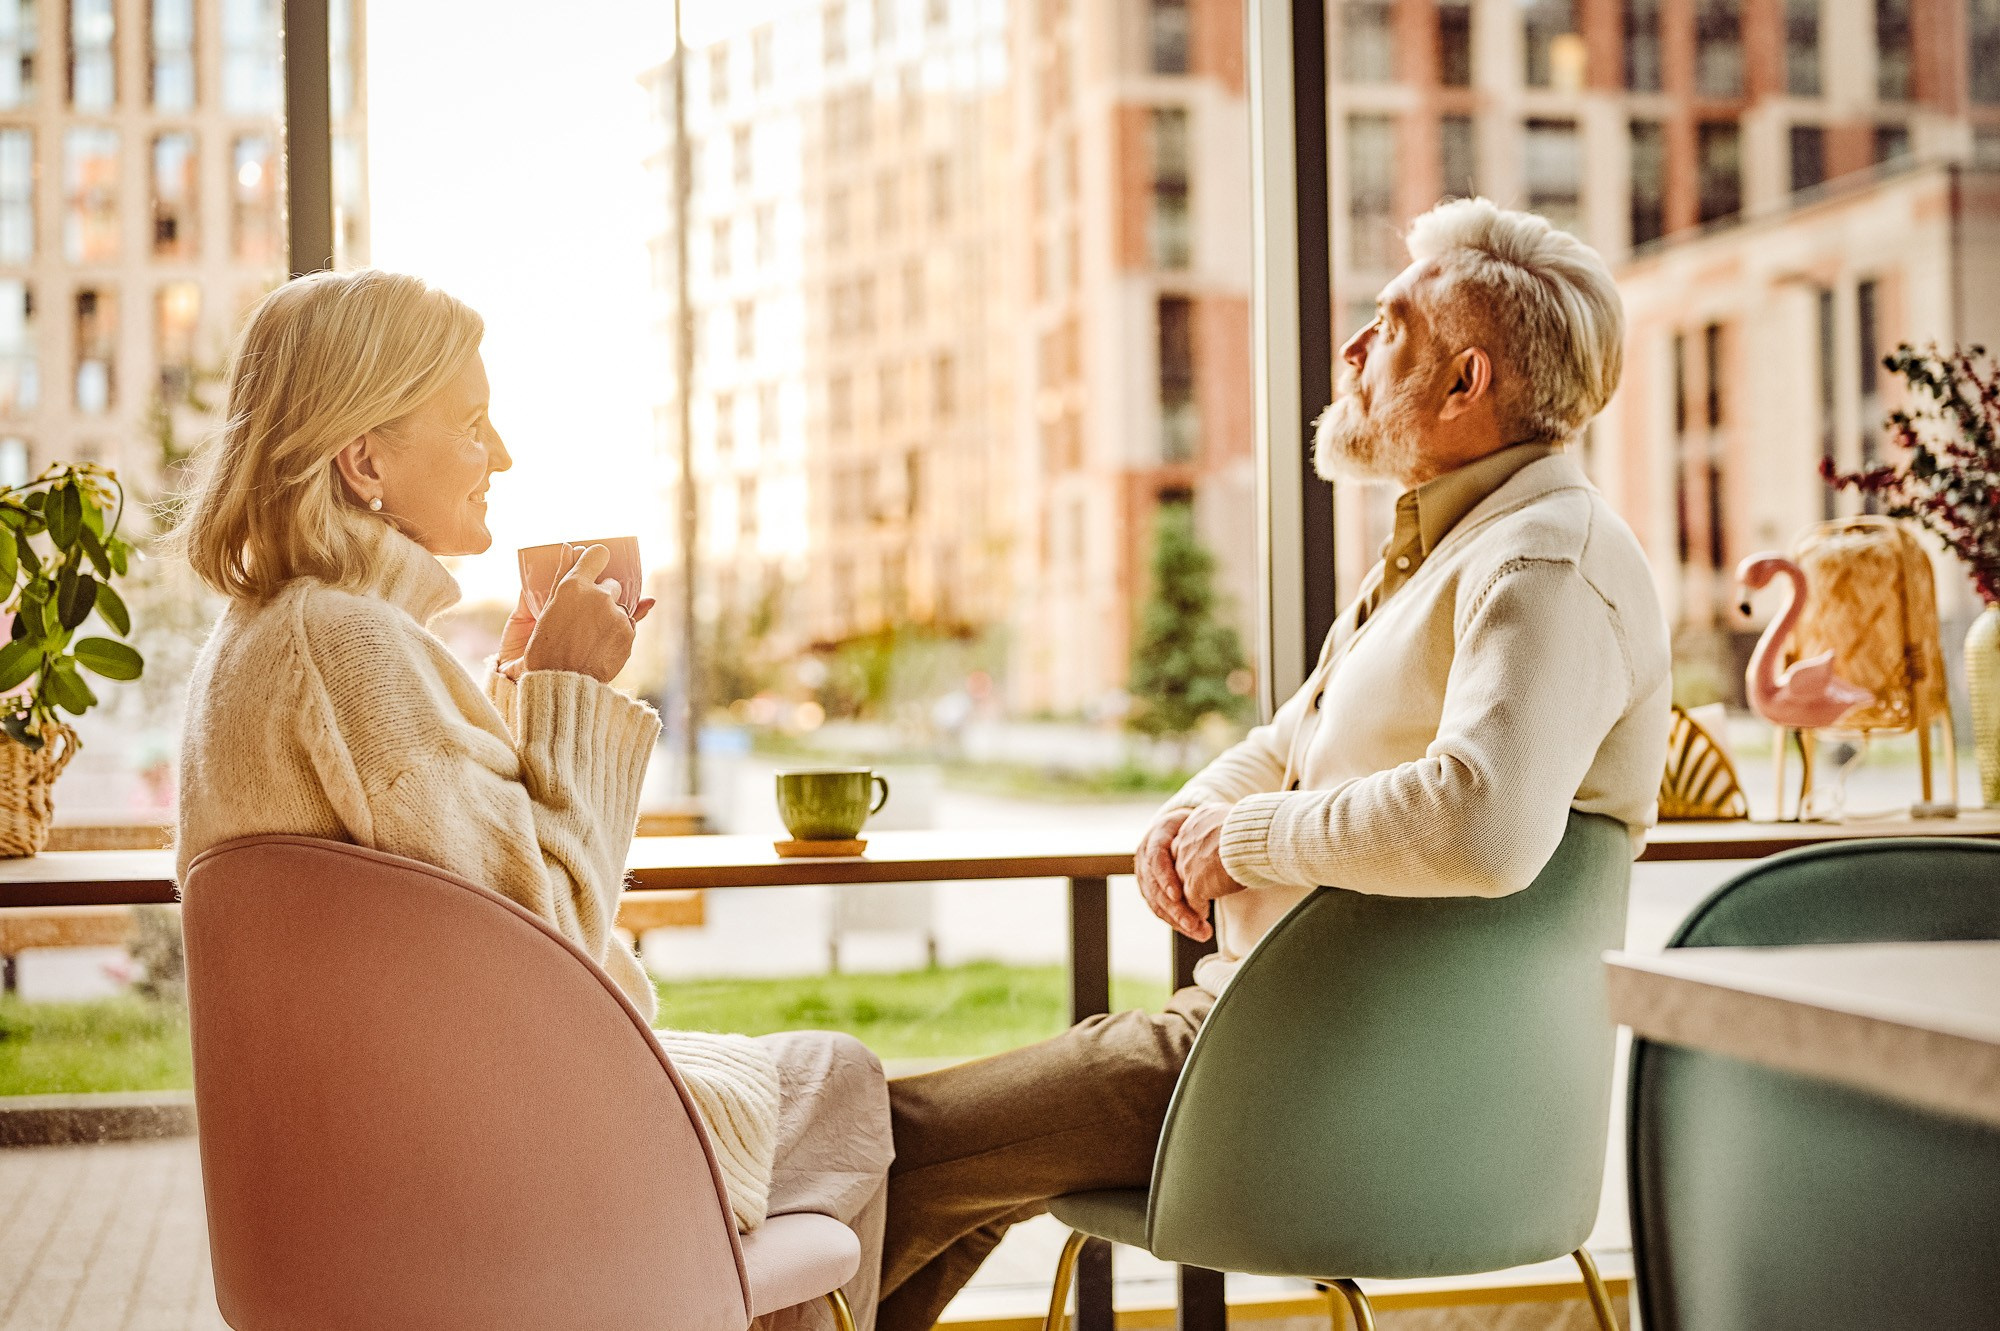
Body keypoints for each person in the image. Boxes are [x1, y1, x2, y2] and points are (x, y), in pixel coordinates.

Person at [876, 198, 1672, 1331]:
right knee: (937, 1161)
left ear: (1464, 383)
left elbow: (1482, 823)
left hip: (1325, 1079)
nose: (1352, 348)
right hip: (1289, 1048)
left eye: (1390, 326)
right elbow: (1288, 738)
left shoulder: (1544, 563)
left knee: (886, 1143)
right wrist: (1189, 813)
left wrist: (1238, 839)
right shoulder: (1450, 548)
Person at [172, 269, 890, 1331]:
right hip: (476, 1170)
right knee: (839, 1074)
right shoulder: (348, 645)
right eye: (470, 425)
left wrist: (508, 697)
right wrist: (570, 693)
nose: (501, 454)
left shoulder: (262, 644)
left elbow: (442, 894)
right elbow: (551, 935)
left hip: (345, 1174)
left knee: (841, 1104)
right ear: (364, 458)